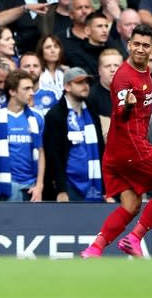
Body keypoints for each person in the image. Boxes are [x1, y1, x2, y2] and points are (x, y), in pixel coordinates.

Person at [81, 25, 152, 258]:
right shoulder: (124, 76)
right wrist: (128, 106)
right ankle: (134, 238)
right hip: (132, 146)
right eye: (136, 44)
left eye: (146, 45)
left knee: (131, 205)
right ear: (129, 45)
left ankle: (94, 248)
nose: (140, 49)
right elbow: (122, 107)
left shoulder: (144, 73)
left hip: (116, 150)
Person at [42, 67, 105, 202]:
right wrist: (61, 189)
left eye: (87, 82)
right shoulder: (56, 115)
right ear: (67, 86)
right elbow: (54, 155)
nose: (85, 86)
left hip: (94, 185)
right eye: (79, 83)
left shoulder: (92, 114)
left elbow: (101, 151)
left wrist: (106, 189)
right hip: (69, 186)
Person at [0, 69, 45, 201]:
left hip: (31, 186)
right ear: (12, 91)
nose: (32, 92)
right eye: (26, 89)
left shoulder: (37, 117)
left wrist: (39, 186)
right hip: (4, 185)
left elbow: (41, 153)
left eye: (32, 88)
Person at [36, 34, 66, 100]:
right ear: (41, 51)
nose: (53, 50)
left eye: (56, 47)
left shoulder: (65, 72)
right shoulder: (36, 72)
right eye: (48, 47)